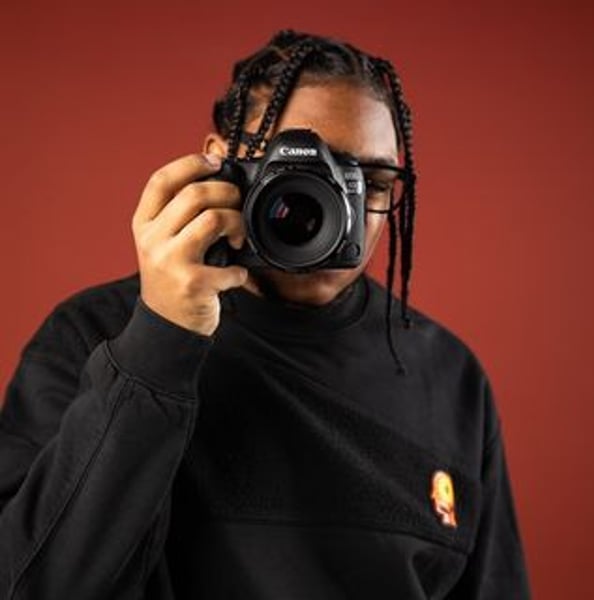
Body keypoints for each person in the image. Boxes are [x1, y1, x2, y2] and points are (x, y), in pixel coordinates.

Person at [0, 30, 531, 599]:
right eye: (305, 180)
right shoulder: (94, 336)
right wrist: (159, 341)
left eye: (370, 184)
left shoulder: (451, 378)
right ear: (220, 164)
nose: (338, 213)